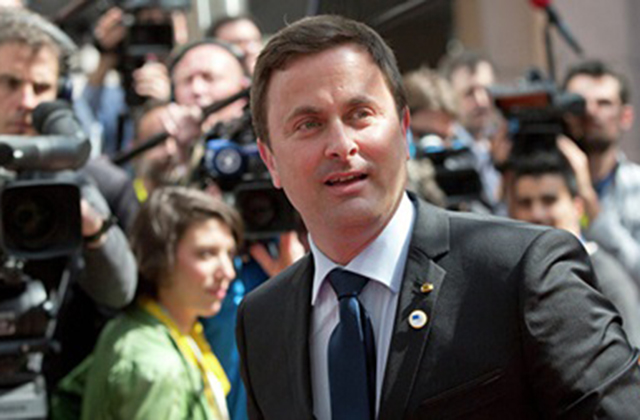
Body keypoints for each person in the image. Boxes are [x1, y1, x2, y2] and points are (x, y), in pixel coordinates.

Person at [236, 15, 640, 419]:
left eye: (360, 114)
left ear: (404, 130)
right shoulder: (262, 321)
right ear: (270, 160)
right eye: (308, 124)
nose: (342, 145)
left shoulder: (521, 271)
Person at [0, 7, 137, 384]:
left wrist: (89, 225)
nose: (26, 101)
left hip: (54, 380)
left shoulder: (87, 180)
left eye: (40, 88)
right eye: (9, 83)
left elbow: (119, 292)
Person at [54, 186, 240, 420]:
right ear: (161, 257)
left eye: (229, 254)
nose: (228, 272)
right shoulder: (158, 367)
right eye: (206, 254)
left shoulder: (132, 327)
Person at [507, 148, 640, 347]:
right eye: (525, 203)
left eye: (549, 200)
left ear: (578, 207)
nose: (537, 214)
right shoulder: (510, 275)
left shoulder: (608, 283)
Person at [561, 59, 640, 283]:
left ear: (625, 116)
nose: (590, 111)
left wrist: (589, 201)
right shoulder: (540, 185)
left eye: (604, 103)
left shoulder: (636, 185)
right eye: (578, 103)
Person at [438, 50, 503, 210]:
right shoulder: (444, 152)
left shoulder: (505, 142)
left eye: (487, 90)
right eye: (469, 93)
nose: (482, 101)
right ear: (449, 98)